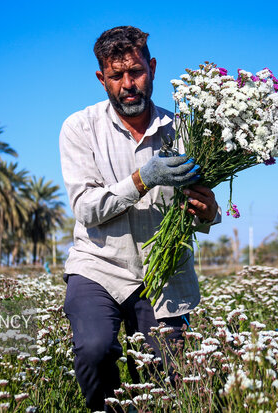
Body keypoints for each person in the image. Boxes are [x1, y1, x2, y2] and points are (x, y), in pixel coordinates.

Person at [59, 26, 220, 412]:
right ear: (102, 79)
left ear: (153, 67)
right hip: (99, 266)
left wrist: (208, 212)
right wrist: (144, 178)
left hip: (162, 274)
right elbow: (86, 208)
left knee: (171, 374)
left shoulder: (185, 132)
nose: (128, 84)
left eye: (136, 72)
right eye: (116, 76)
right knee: (95, 349)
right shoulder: (80, 128)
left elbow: (205, 212)